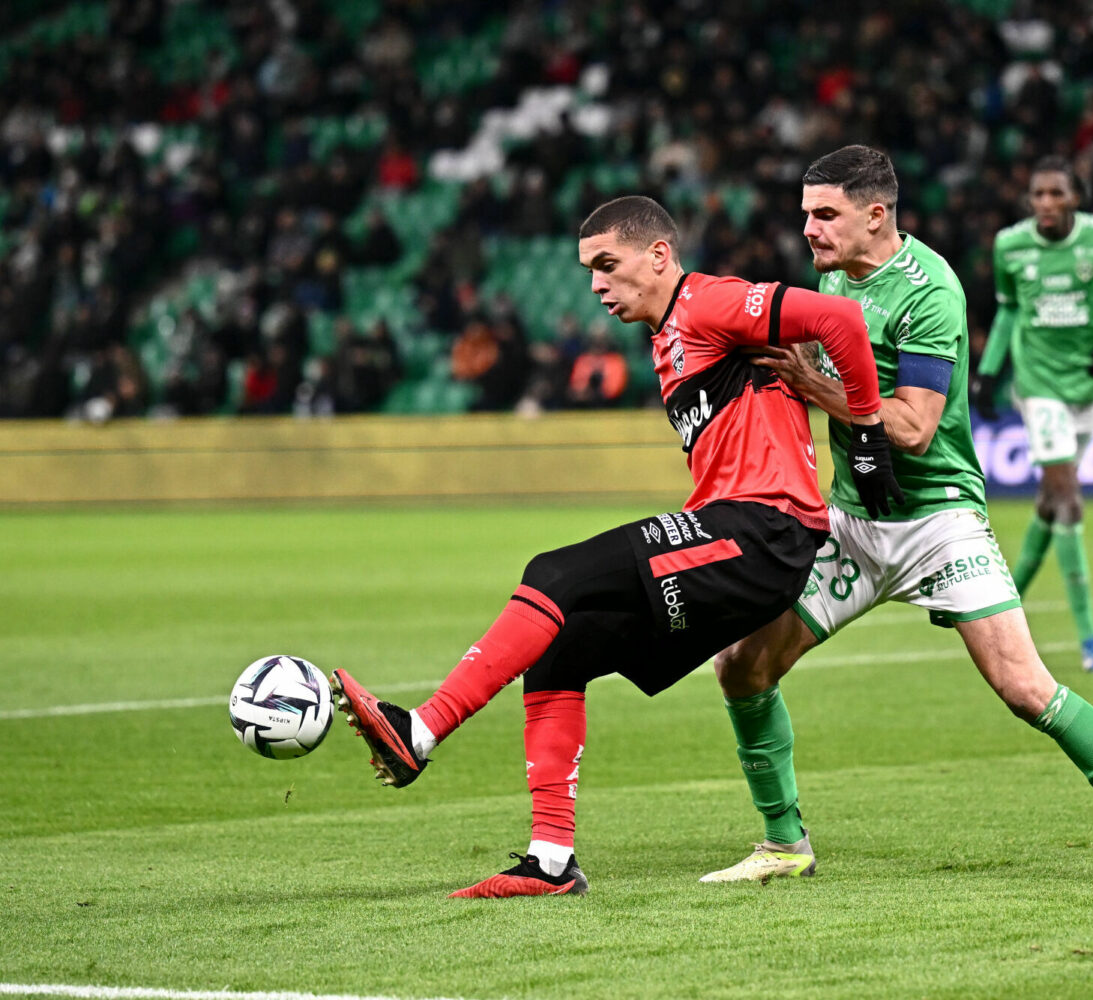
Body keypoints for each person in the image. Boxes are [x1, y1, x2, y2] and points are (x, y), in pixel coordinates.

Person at [330, 195, 903, 898]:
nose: (597, 285)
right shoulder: (667, 339)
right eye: (589, 272)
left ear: (658, 256)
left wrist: (868, 434)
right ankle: (550, 862)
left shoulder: (707, 302)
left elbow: (840, 319)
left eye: (607, 264)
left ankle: (420, 730)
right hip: (738, 540)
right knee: (557, 652)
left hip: (766, 531)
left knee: (554, 572)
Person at [702, 146, 1093, 888]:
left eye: (825, 214)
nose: (810, 229)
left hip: (938, 523)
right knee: (742, 666)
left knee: (1027, 690)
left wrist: (812, 385)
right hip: (852, 521)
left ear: (876, 216)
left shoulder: (930, 291)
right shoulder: (835, 276)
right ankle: (784, 842)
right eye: (806, 215)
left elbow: (914, 428)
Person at [975, 155, 1093, 672]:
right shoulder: (1010, 245)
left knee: (1050, 503)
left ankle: (1001, 602)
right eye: (1038, 194)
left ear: (1077, 197)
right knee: (1068, 495)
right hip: (1039, 385)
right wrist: (989, 372)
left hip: (1090, 386)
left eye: (1056, 193)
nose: (1046, 203)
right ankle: (1091, 640)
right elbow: (1009, 311)